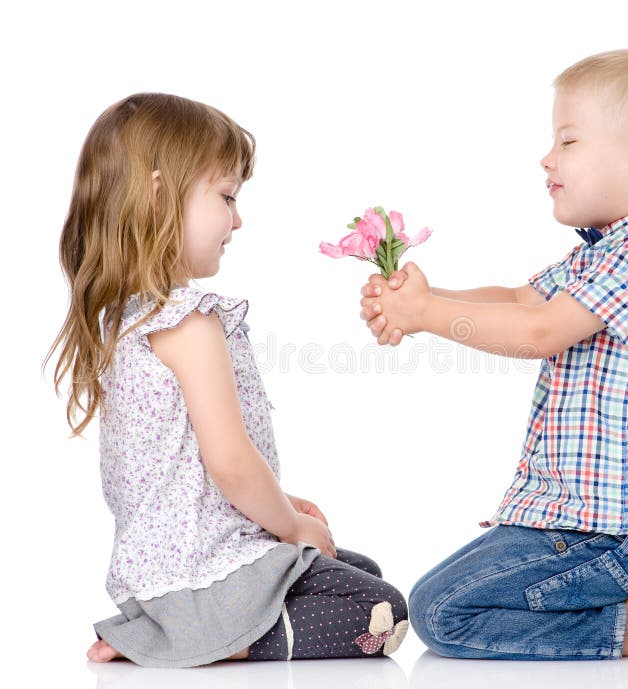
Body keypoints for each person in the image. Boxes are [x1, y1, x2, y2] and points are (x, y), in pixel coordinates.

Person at [358, 49, 628, 660]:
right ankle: (625, 614)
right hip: (573, 522)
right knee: (434, 598)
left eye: (568, 141)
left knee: (442, 613)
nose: (547, 157)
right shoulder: (605, 250)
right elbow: (518, 298)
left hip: (618, 532)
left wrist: (426, 316)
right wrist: (426, 301)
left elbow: (539, 331)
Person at [44, 93, 408, 668]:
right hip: (196, 577)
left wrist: (286, 506)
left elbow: (184, 471)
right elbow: (231, 462)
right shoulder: (187, 322)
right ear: (160, 194)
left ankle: (158, 629)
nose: (238, 219)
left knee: (357, 571)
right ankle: (181, 641)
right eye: (226, 196)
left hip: (168, 576)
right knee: (381, 612)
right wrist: (290, 527)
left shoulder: (130, 316)